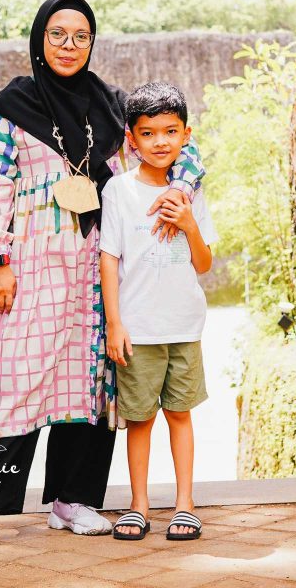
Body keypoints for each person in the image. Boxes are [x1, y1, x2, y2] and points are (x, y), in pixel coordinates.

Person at [0, 0, 206, 553]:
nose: (68, 45)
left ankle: (72, 499)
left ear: (92, 43)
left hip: (93, 267)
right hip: (29, 264)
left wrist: (180, 188)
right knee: (11, 383)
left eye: (80, 36)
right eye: (57, 34)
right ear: (39, 39)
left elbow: (180, 147)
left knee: (87, 385)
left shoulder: (110, 106)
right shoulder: (10, 106)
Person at [99, 81, 216, 542]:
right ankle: (139, 505)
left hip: (184, 324)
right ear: (132, 138)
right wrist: (115, 322)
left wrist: (187, 222)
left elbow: (204, 264)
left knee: (181, 415)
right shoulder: (118, 191)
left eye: (170, 131)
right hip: (138, 327)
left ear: (186, 134)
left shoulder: (193, 194)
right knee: (140, 419)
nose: (160, 141)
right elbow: (109, 258)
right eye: (149, 133)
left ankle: (185, 504)